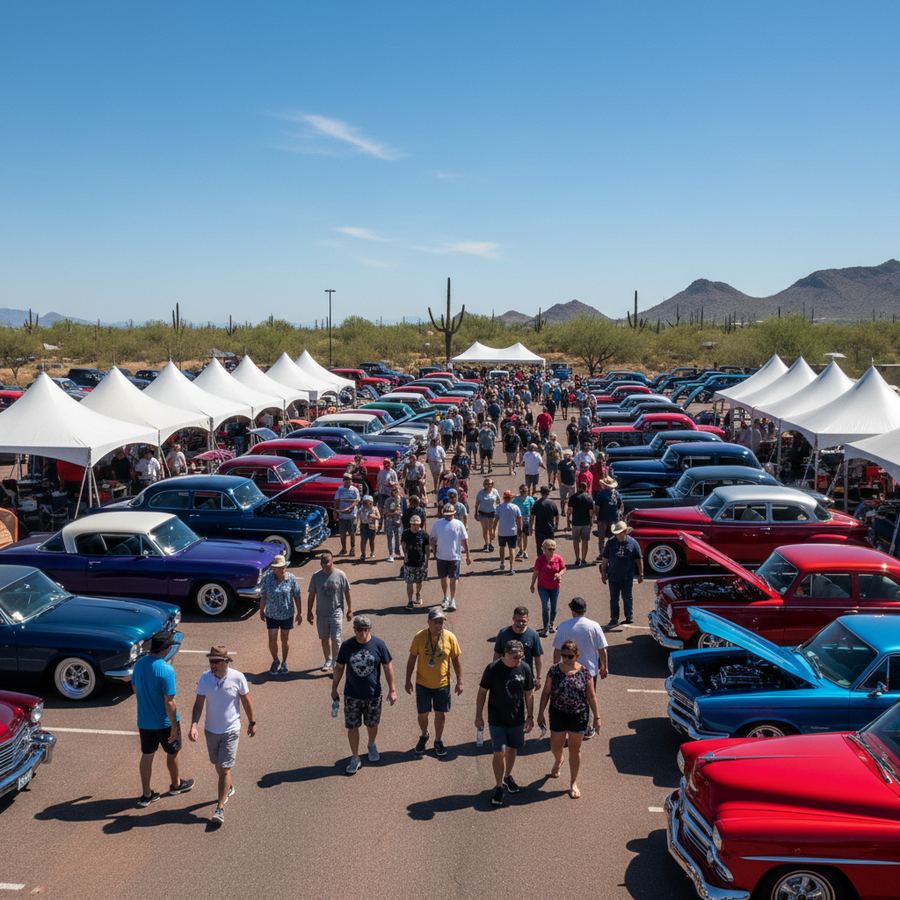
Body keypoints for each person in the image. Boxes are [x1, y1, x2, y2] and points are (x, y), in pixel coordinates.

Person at [188, 645, 256, 827]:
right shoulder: (204, 678)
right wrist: (194, 725)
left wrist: (252, 721)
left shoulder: (237, 677)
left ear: (226, 662)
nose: (213, 665)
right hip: (211, 731)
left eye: (216, 661)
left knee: (224, 768)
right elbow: (198, 704)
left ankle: (220, 808)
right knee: (217, 764)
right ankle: (228, 787)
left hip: (231, 730)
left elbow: (246, 700)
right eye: (211, 661)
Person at [132, 631, 194, 808]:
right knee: (172, 752)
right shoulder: (166, 670)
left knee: (147, 754)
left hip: (144, 721)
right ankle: (176, 785)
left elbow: (135, 689)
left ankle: (146, 794)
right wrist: (174, 726)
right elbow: (170, 702)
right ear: (166, 649)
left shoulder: (139, 665)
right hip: (164, 723)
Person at [332, 615, 397, 775]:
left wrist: (392, 689)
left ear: (370, 629)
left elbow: (388, 668)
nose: (362, 633)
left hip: (373, 694)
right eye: (359, 629)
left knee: (372, 725)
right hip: (352, 695)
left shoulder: (379, 645)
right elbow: (339, 668)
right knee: (352, 727)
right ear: (354, 629)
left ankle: (371, 744)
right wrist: (334, 689)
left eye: (366, 629)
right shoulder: (347, 646)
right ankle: (355, 757)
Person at [537, 639, 601, 799]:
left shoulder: (585, 672)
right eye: (564, 655)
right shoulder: (554, 671)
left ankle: (573, 782)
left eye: (570, 656)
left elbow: (592, 696)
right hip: (558, 713)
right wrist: (540, 713)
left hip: (578, 715)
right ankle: (559, 760)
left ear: (576, 656)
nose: (566, 659)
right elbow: (546, 692)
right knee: (555, 746)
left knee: (575, 749)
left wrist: (597, 717)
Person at [476, 639, 535, 806]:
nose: (518, 660)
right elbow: (482, 692)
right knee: (499, 752)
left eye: (520, 656)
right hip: (496, 719)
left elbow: (529, 694)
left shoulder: (525, 668)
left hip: (516, 719)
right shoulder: (493, 668)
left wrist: (530, 716)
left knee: (512, 749)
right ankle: (498, 785)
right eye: (515, 656)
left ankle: (508, 776)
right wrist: (478, 715)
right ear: (506, 654)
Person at [405, 607, 463, 758]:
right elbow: (412, 659)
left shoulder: (450, 637)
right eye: (436, 622)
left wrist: (460, 681)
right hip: (422, 683)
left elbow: (456, 660)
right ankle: (424, 735)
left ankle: (438, 740)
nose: (439, 625)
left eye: (441, 622)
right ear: (429, 622)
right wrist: (407, 680)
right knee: (422, 714)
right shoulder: (420, 636)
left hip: (442, 684)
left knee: (440, 714)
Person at [552, 596, 608, 738]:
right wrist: (604, 667)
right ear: (584, 610)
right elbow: (602, 649)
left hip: (566, 669)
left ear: (572, 610)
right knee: (589, 697)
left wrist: (556, 667)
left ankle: (565, 730)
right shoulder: (594, 626)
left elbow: (557, 650)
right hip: (589, 670)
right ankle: (586, 728)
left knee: (565, 698)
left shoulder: (563, 626)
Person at [307, 550, 353, 672]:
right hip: (321, 614)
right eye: (323, 563)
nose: (325, 565)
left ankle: (335, 663)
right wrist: (308, 612)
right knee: (324, 638)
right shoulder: (316, 576)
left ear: (332, 562)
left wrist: (350, 610)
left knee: (336, 638)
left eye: (327, 562)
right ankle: (328, 659)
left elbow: (347, 592)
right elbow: (311, 595)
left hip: (336, 612)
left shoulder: (340, 575)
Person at [258, 553, 302, 675]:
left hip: (287, 614)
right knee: (272, 638)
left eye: (281, 567)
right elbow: (263, 596)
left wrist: (300, 612)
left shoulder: (291, 578)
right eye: (277, 567)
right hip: (271, 614)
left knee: (284, 639)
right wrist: (261, 610)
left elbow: (297, 596)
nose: (279, 569)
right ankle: (275, 660)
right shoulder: (267, 578)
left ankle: (284, 662)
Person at [600, 520, 644, 627]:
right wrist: (603, 573)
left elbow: (639, 559)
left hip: (627, 577)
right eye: (616, 533)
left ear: (624, 532)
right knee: (614, 598)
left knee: (627, 597)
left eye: (619, 533)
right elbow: (605, 559)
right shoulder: (610, 542)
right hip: (613, 576)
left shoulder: (633, 543)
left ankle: (629, 616)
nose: (617, 535)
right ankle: (614, 618)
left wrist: (641, 574)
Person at [430, 503, 471, 612]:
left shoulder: (459, 524)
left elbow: (464, 540)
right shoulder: (437, 524)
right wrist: (434, 551)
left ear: (454, 513)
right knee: (443, 578)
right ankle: (445, 597)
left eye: (451, 514)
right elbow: (432, 539)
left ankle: (452, 599)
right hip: (441, 556)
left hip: (455, 557)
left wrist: (468, 555)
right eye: (447, 514)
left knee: (453, 578)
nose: (449, 516)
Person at [493, 606, 543, 689]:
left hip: (525, 675)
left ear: (528, 620)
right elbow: (497, 654)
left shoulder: (533, 635)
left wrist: (539, 677)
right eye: (518, 621)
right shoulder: (503, 633)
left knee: (528, 699)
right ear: (513, 618)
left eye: (523, 621)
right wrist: (495, 672)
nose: (521, 624)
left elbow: (538, 658)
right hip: (506, 675)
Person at [530, 538, 566, 636]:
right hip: (543, 587)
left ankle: (551, 624)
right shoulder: (540, 560)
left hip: (555, 587)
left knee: (554, 608)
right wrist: (532, 584)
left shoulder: (558, 558)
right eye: (549, 549)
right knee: (546, 607)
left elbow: (563, 568)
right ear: (544, 549)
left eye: (553, 549)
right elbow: (536, 573)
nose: (551, 551)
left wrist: (559, 574)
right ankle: (545, 627)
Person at [401, 514, 430, 609]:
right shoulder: (405, 533)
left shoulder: (424, 535)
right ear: (410, 524)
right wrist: (404, 555)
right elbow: (403, 545)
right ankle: (409, 601)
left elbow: (427, 549)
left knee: (418, 582)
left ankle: (418, 594)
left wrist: (427, 562)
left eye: (417, 524)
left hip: (420, 563)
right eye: (413, 524)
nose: (415, 526)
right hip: (408, 563)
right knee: (409, 582)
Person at [593, 475, 623, 562]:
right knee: (613, 536)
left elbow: (597, 508)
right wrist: (619, 514)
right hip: (614, 517)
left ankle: (602, 554)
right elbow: (620, 505)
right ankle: (612, 552)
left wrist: (596, 516)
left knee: (601, 537)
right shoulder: (616, 493)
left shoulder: (601, 494)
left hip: (603, 518)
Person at [567, 479, 595, 567]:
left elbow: (569, 511)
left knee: (575, 541)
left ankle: (577, 559)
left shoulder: (573, 497)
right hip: (586, 523)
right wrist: (591, 522)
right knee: (585, 541)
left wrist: (568, 522)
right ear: (586, 488)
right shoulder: (589, 498)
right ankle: (583, 559)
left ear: (578, 487)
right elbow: (591, 513)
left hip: (575, 523)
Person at [496, 489, 522, 573]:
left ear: (504, 498)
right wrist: (520, 529)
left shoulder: (499, 507)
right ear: (511, 498)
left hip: (502, 532)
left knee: (502, 547)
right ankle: (511, 568)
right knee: (512, 549)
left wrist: (493, 530)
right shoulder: (515, 507)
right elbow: (519, 519)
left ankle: (502, 563)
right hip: (512, 532)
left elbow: (496, 519)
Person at [335, 473, 361, 556]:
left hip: (352, 516)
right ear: (343, 481)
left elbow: (357, 500)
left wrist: (350, 507)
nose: (348, 481)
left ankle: (352, 549)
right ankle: (344, 549)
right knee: (342, 534)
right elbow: (337, 501)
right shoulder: (340, 490)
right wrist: (336, 511)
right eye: (346, 480)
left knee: (352, 533)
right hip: (342, 516)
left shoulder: (354, 489)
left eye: (349, 480)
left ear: (351, 481)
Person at [474, 477, 501, 551]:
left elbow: (499, 501)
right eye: (487, 484)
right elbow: (477, 504)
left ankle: (491, 543)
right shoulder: (480, 493)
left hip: (492, 512)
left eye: (490, 484)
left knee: (491, 529)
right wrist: (476, 513)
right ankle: (486, 544)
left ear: (492, 484)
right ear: (484, 485)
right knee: (485, 529)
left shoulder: (495, 491)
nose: (489, 485)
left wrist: (499, 509)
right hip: (483, 513)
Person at [382, 482, 405, 562]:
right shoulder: (388, 500)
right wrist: (392, 513)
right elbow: (385, 512)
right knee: (390, 537)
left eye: (396, 490)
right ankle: (391, 554)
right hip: (389, 522)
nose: (395, 492)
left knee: (398, 537)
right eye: (393, 490)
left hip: (398, 522)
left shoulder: (401, 500)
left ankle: (398, 551)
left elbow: (403, 511)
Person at [532, 484, 559, 551]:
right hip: (550, 528)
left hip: (539, 529)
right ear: (548, 493)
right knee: (550, 547)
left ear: (541, 493)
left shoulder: (537, 503)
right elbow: (557, 516)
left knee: (540, 547)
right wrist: (556, 526)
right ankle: (549, 560)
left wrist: (530, 527)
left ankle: (541, 561)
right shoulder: (552, 503)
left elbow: (532, 516)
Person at [512, 484, 534, 560]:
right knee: (519, 536)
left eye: (526, 490)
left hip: (526, 520)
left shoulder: (530, 499)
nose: (525, 492)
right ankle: (520, 549)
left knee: (525, 536)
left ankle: (524, 550)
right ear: (520, 491)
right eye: (523, 490)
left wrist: (532, 523)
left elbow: (533, 510)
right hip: (517, 520)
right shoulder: (515, 500)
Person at [375, 458, 398, 526]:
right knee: (381, 508)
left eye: (388, 463)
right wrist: (379, 489)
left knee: (390, 508)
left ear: (390, 464)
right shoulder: (381, 472)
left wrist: (391, 484)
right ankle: (380, 522)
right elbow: (378, 482)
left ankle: (389, 523)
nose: (386, 465)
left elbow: (396, 483)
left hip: (390, 494)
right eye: (385, 463)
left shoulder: (393, 472)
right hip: (382, 493)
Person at [357, 495, 380, 561]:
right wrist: (357, 526)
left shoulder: (375, 508)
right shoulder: (361, 509)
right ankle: (363, 554)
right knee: (363, 541)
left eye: (368, 502)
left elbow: (379, 517)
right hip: (363, 526)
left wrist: (373, 516)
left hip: (372, 526)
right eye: (365, 502)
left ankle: (372, 552)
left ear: (371, 502)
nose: (366, 503)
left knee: (372, 541)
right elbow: (358, 518)